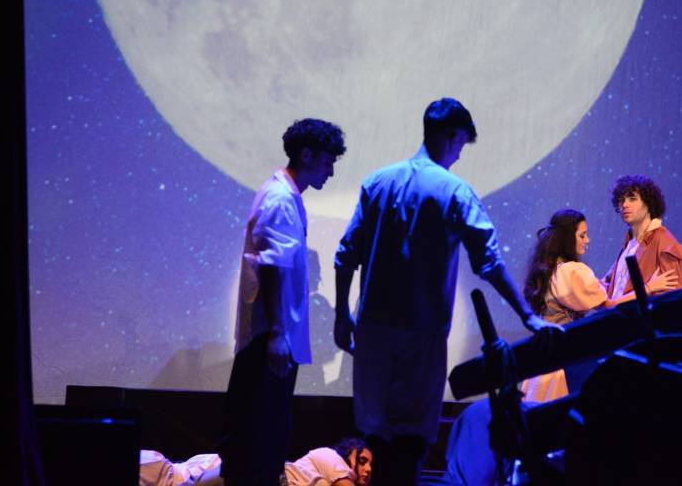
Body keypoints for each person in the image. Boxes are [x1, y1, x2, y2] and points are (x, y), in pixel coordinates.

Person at [333, 97, 558, 485]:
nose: (458, 155)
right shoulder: (454, 191)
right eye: (460, 145)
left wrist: (341, 315)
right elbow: (489, 262)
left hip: (374, 332)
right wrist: (527, 316)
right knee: (411, 442)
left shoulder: (378, 182)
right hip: (421, 334)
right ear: (451, 136)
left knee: (377, 438)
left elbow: (346, 255)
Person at [220, 118, 346, 486]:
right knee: (259, 434)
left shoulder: (288, 197)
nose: (331, 171)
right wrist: (277, 332)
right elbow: (273, 266)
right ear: (306, 155)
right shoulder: (280, 199)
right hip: (268, 339)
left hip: (274, 337)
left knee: (267, 432)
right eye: (327, 161)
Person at [520, 209, 678, 402]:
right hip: (562, 365)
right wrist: (649, 287)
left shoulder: (550, 269)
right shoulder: (573, 271)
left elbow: (587, 292)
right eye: (582, 235)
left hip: (544, 361)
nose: (587, 240)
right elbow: (609, 305)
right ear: (567, 238)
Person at [600, 175, 682, 300]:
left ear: (649, 203)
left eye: (632, 199)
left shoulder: (664, 241)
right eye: (621, 200)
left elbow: (670, 298)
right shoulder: (629, 243)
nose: (625, 204)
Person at [284, 438, 373, 486]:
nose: (369, 469)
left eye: (370, 464)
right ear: (350, 455)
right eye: (362, 461)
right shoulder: (329, 454)